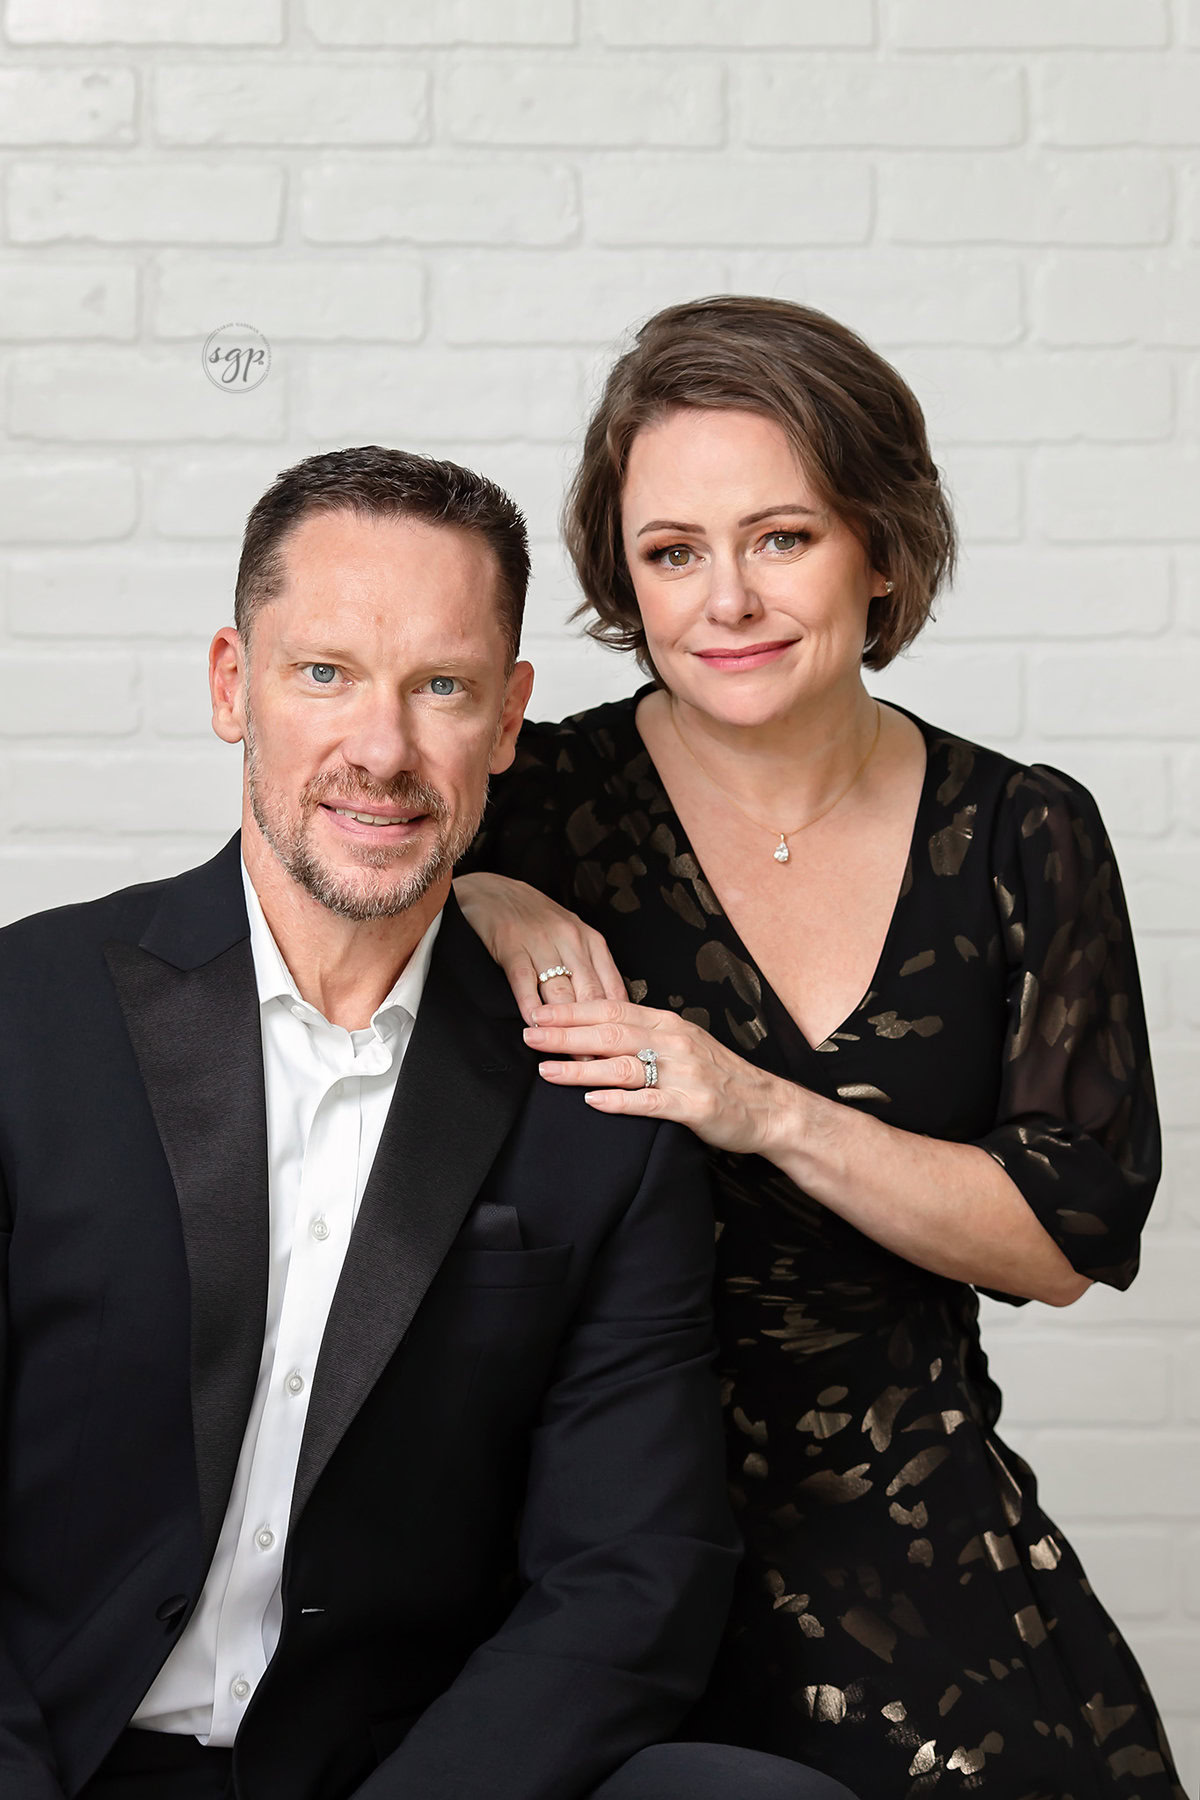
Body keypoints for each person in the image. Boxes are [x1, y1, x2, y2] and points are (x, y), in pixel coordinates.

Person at [0, 447, 859, 1800]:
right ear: (235, 686)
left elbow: (631, 1573)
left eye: (442, 688)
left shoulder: (593, 1104)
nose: (383, 752)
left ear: (510, 721)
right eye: (325, 673)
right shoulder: (26, 1019)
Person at [455, 297, 1185, 1799]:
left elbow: (1062, 1234)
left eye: (781, 537)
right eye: (673, 554)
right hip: (572, 1538)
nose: (726, 599)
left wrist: (749, 1102)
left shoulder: (1021, 834)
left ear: (883, 549)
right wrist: (479, 892)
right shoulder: (523, 806)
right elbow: (309, 879)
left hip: (908, 1523)